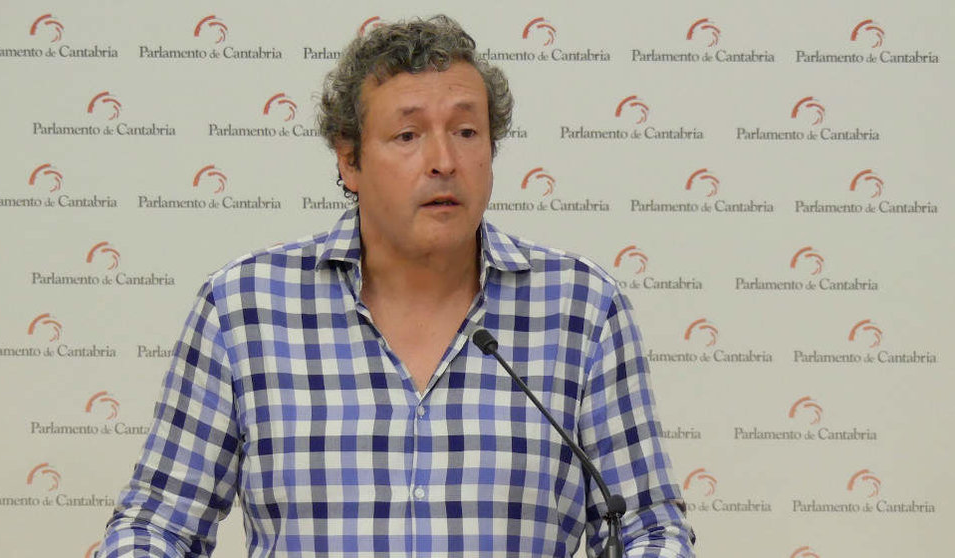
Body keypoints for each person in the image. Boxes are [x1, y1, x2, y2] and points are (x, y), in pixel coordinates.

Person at [100, 15, 695, 557]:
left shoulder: (581, 308)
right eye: (408, 136)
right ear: (350, 161)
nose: (444, 161)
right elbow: (156, 528)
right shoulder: (243, 308)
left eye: (467, 131)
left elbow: (648, 528)